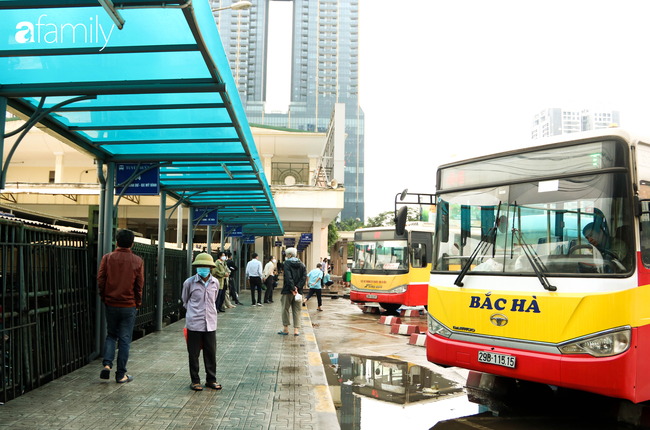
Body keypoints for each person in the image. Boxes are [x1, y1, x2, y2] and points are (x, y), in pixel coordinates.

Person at [98, 229, 143, 384]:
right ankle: (121, 375)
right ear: (132, 243)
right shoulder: (138, 261)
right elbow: (139, 286)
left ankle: (107, 365)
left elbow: (101, 279)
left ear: (116, 242)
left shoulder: (107, 258)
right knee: (124, 340)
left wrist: (104, 296)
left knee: (111, 335)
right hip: (129, 305)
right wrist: (137, 303)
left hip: (111, 303)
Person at [182, 253, 221, 391]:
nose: (203, 268)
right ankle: (195, 380)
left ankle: (211, 380)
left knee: (210, 353)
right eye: (200, 266)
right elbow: (185, 301)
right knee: (193, 353)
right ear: (196, 267)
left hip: (210, 323)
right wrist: (195, 312)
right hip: (194, 323)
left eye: (206, 266)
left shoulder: (215, 282)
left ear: (211, 267)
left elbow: (214, 300)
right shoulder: (189, 283)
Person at [278, 247, 307, 336]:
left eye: (286, 255)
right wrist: (297, 288)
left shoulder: (287, 263)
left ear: (290, 255)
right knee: (297, 310)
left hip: (287, 290)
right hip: (298, 293)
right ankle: (296, 330)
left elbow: (288, 276)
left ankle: (286, 329)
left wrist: (292, 288)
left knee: (285, 309)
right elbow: (304, 277)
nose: (286, 256)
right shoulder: (302, 264)